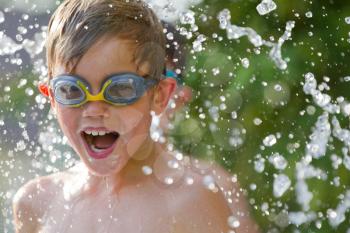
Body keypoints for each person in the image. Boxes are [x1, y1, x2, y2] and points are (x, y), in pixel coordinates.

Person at [12, 0, 259, 232]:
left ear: (161, 96)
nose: (95, 109)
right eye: (72, 90)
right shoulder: (36, 202)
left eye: (120, 89)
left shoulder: (190, 201)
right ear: (52, 97)